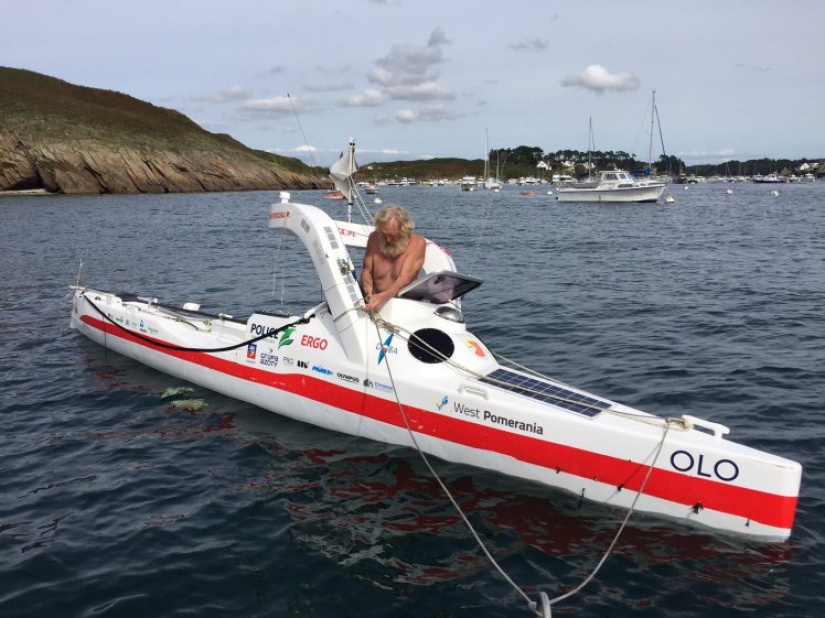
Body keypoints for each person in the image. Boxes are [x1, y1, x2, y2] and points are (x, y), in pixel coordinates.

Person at [360, 205, 426, 312]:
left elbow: (404, 279)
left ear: (404, 231)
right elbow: (367, 270)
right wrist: (369, 294)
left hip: (402, 302)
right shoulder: (374, 238)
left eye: (394, 236)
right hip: (374, 299)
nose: (388, 240)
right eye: (384, 234)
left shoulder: (417, 244)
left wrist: (381, 297)